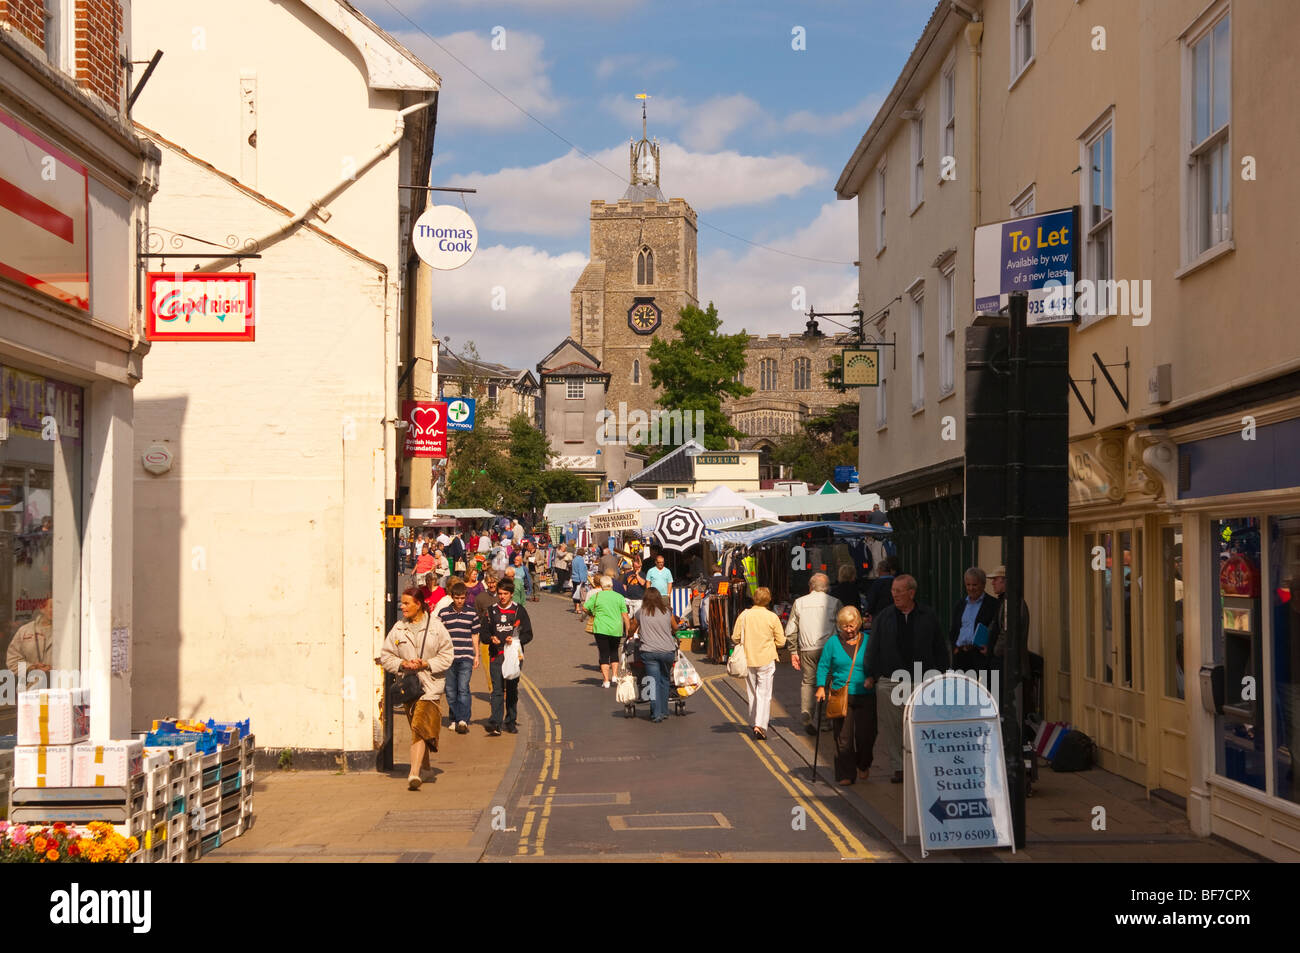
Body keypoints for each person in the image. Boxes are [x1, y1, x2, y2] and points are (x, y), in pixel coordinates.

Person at [863, 574, 948, 782]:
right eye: (893, 591)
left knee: (921, 724)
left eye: (899, 591)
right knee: (892, 727)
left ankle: (922, 765)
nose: (895, 595)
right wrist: (871, 674)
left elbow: (939, 647)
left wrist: (943, 673)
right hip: (890, 681)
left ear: (912, 592)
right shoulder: (884, 617)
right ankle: (899, 767)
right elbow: (873, 647)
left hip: (922, 680)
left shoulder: (928, 615)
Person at [380, 587, 455, 790]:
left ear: (418, 604)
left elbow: (447, 656)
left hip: (430, 687)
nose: (402, 607)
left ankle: (414, 773)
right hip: (409, 687)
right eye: (402, 603)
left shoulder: (436, 628)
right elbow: (386, 656)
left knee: (418, 727)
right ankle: (427, 768)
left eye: (406, 603)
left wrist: (426, 664)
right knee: (418, 729)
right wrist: (403, 664)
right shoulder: (398, 628)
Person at [816, 606, 875, 784]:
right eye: (844, 627)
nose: (848, 630)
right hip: (841, 695)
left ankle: (863, 764)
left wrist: (872, 677)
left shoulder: (869, 641)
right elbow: (823, 665)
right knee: (843, 738)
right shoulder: (832, 643)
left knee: (866, 736)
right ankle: (845, 774)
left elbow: (877, 662)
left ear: (858, 624)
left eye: (851, 626)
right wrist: (820, 687)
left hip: (865, 695)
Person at [785, 574, 842, 735]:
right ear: (827, 587)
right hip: (829, 648)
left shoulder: (799, 602)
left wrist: (793, 652)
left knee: (808, 683)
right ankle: (824, 721)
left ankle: (807, 714)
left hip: (807, 648)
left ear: (810, 587)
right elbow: (841, 627)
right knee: (826, 684)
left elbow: (790, 631)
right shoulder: (835, 602)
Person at [731, 587, 787, 741]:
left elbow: (735, 637)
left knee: (752, 692)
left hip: (748, 659)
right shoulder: (772, 617)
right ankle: (760, 725)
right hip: (766, 659)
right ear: (768, 600)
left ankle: (755, 722)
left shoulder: (744, 615)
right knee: (764, 693)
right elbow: (781, 642)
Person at [485, 579, 533, 735]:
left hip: (514, 657)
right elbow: (484, 633)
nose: (502, 597)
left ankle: (510, 721)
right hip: (496, 656)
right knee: (497, 690)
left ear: (512, 594)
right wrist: (491, 638)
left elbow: (528, 634)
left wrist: (516, 640)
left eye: (505, 594)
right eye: (499, 594)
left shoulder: (519, 610)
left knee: (512, 690)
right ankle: (496, 723)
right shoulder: (491, 610)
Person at [627, 587, 677, 723]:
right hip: (667, 651)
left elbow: (632, 629)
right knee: (665, 680)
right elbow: (675, 628)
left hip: (649, 652)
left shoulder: (640, 613)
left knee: (653, 682)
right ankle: (665, 711)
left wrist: (629, 634)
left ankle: (656, 714)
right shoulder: (667, 611)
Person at [437, 581, 480, 734]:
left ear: (466, 597)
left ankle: (462, 720)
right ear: (452, 597)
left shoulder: (472, 614)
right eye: (457, 598)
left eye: (462, 598)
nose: (460, 601)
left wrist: (477, 655)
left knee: (463, 688)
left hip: (466, 656)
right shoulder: (443, 613)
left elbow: (475, 634)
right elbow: (438, 635)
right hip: (448, 658)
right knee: (450, 690)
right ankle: (455, 718)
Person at [949, 567, 998, 679]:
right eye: (968, 585)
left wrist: (988, 649)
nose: (971, 588)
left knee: (978, 692)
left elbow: (995, 630)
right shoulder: (960, 604)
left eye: (975, 585)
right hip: (960, 656)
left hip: (979, 656)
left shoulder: (992, 605)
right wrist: (955, 649)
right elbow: (954, 629)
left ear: (983, 584)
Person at [585, 575, 629, 688]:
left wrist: (592, 613)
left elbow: (585, 608)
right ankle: (614, 675)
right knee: (614, 652)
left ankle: (606, 680)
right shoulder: (619, 597)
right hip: (616, 628)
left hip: (600, 628)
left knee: (604, 654)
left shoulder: (597, 596)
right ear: (612, 585)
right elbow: (625, 616)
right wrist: (628, 631)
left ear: (601, 585)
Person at [6, 597, 52, 689]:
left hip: (62, 690)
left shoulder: (68, 633)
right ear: (42, 609)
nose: (56, 610)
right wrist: (32, 667)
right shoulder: (25, 631)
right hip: (32, 692)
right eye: (52, 606)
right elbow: (12, 662)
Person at [570, 549, 590, 614]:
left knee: (575, 593)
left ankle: (576, 607)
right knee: (579, 594)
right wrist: (582, 580)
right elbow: (581, 570)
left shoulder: (574, 559)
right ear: (583, 554)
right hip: (579, 579)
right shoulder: (580, 560)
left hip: (574, 578)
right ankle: (578, 608)